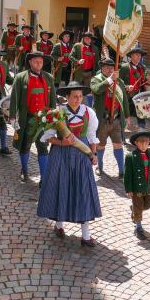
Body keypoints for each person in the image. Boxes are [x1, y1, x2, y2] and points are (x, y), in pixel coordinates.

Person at [37, 81, 101, 247]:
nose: (77, 99)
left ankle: (86, 236)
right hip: (61, 154)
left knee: (83, 190)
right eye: (74, 96)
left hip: (81, 156)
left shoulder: (89, 112)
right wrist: (61, 142)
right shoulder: (58, 113)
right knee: (61, 186)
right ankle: (59, 225)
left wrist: (94, 154)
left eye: (80, 96)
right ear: (67, 97)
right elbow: (48, 138)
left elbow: (92, 136)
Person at [9, 51, 56, 184]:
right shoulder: (20, 77)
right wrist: (12, 118)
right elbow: (14, 98)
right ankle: (24, 170)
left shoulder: (48, 77)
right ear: (30, 62)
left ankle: (44, 178)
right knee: (25, 147)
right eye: (35, 61)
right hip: (27, 119)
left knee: (43, 148)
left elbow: (52, 100)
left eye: (40, 61)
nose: (38, 63)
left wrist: (53, 118)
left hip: (43, 121)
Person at [91, 57, 130, 178]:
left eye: (112, 68)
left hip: (116, 119)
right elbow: (96, 90)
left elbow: (124, 100)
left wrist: (127, 116)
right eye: (107, 68)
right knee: (100, 145)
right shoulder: (96, 79)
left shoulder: (119, 81)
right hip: (102, 119)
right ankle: (100, 166)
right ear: (102, 68)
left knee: (118, 144)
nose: (110, 70)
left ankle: (122, 170)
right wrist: (109, 80)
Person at [123, 130, 150, 241]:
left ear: (149, 143)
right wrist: (128, 189)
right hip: (136, 188)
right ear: (136, 143)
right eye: (141, 142)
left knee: (147, 205)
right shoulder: (131, 157)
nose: (144, 145)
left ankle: (134, 209)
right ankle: (138, 227)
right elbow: (127, 175)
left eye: (146, 142)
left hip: (147, 186)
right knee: (138, 207)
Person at [119, 47, 150, 130]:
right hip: (128, 96)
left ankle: (141, 131)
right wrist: (127, 87)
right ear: (131, 56)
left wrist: (148, 80)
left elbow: (145, 79)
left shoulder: (142, 67)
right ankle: (122, 131)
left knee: (141, 115)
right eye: (137, 54)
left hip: (140, 95)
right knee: (125, 115)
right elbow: (119, 82)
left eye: (140, 55)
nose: (139, 56)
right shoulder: (124, 67)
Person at [70, 31, 99, 104]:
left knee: (88, 90)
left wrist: (96, 74)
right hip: (79, 72)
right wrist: (77, 61)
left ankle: (88, 106)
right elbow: (70, 56)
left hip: (90, 73)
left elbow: (97, 62)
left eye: (89, 38)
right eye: (86, 38)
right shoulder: (77, 46)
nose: (87, 39)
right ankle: (75, 104)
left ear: (91, 39)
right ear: (83, 38)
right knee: (76, 89)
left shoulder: (95, 48)